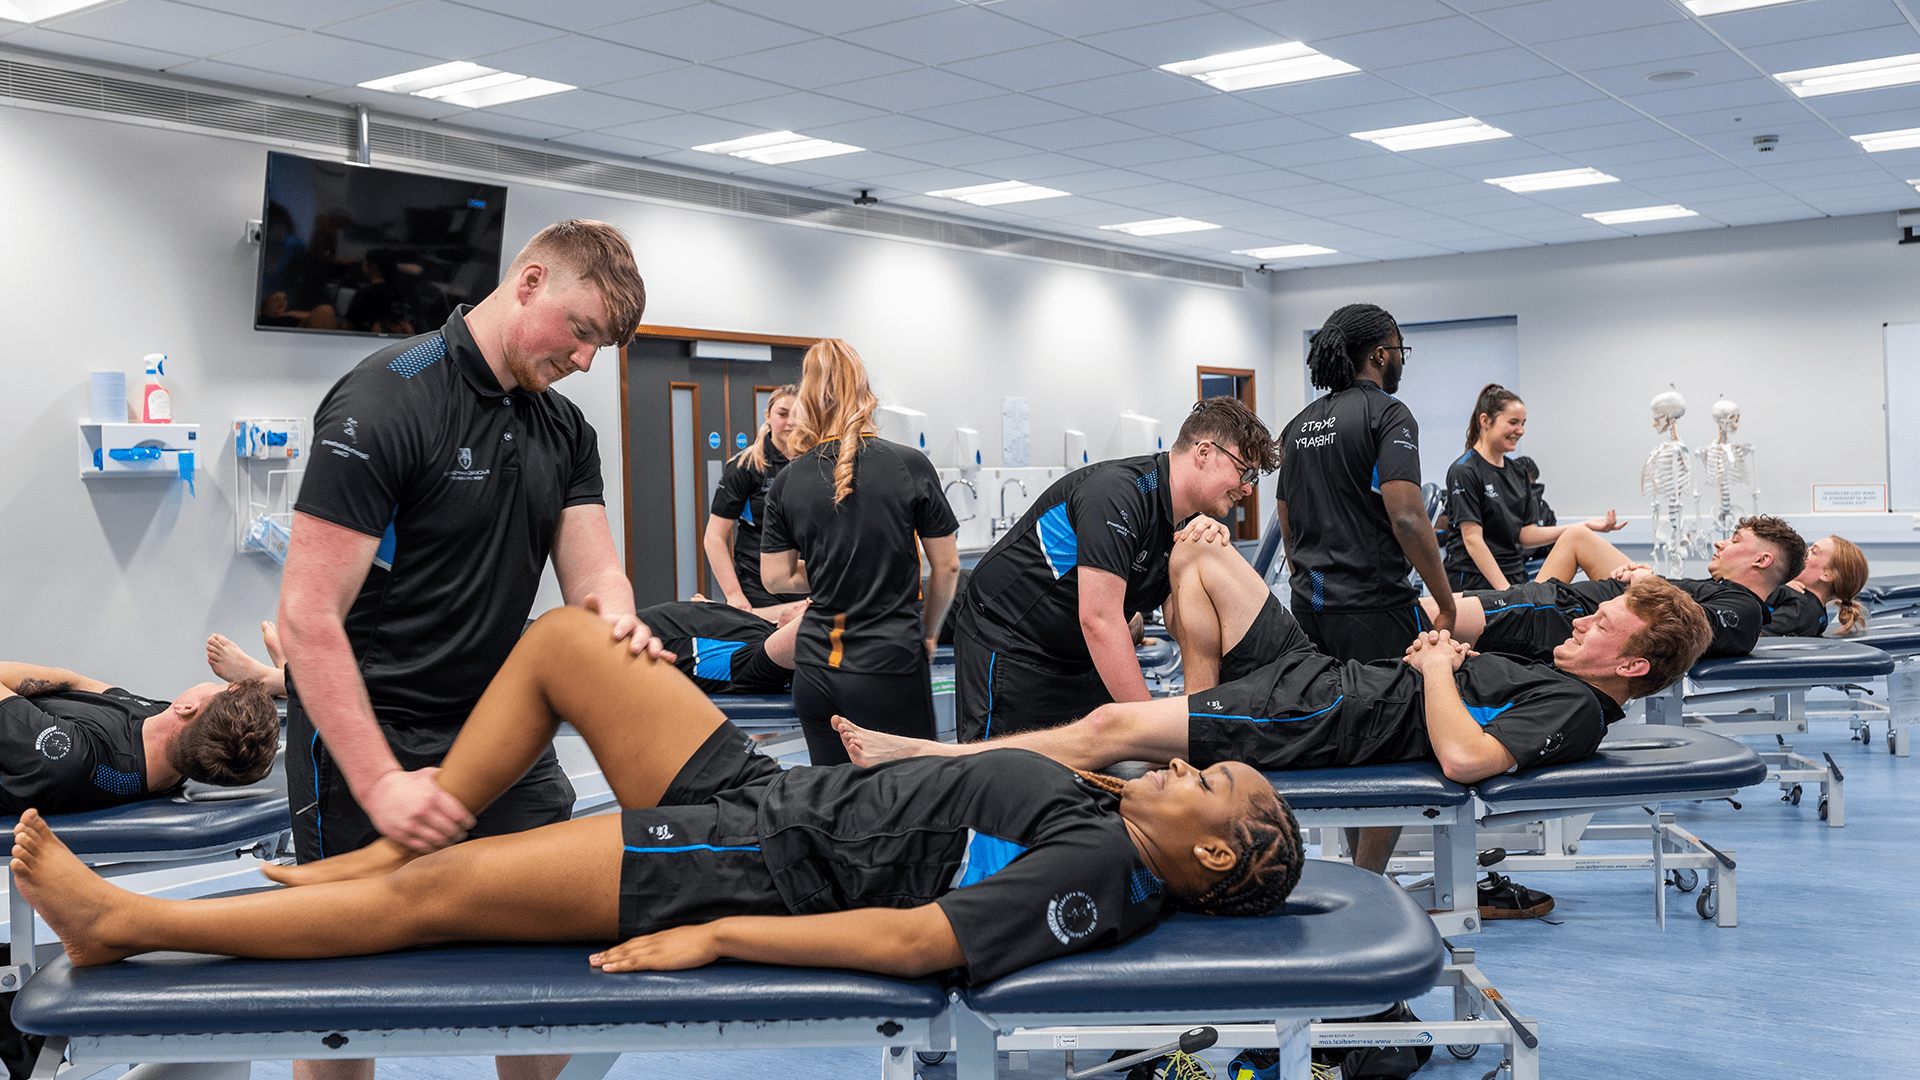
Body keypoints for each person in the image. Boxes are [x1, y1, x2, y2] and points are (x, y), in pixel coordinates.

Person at [10, 606, 1302, 985]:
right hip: (771, 789)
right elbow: (975, 797)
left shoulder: (1100, 882)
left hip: (749, 863)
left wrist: (724, 930)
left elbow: (924, 942)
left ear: (1218, 866)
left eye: (1210, 785)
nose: (1186, 766)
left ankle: (121, 923)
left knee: (440, 900)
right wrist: (895, 756)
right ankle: (403, 830)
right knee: (572, 640)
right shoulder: (1110, 811)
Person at [278, 219, 652, 1080]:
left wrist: (618, 620)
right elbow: (306, 617)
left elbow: (596, 577)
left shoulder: (563, 431)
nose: (588, 360)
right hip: (370, 735)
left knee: (550, 972)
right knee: (346, 1006)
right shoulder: (385, 399)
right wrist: (379, 781)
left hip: (500, 736)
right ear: (528, 282)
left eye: (605, 345)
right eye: (583, 331)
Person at [836, 569, 1712, 785]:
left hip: (1324, 713)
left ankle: (920, 757)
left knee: (1107, 727)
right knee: (1204, 558)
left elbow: (1468, 760)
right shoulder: (1568, 677)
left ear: (1631, 667)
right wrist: (1436, 660)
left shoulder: (1581, 710)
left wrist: (1439, 666)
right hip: (1331, 678)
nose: (1587, 618)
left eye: (1605, 624)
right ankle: (1192, 725)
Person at [952, 398, 1273, 743]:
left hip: (1079, 658)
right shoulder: (1117, 493)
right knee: (1005, 780)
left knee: (1091, 779)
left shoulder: (1188, 521)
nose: (1248, 487)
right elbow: (1099, 620)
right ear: (1204, 452)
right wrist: (1155, 732)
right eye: (1244, 471)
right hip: (1011, 646)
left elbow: (1182, 622)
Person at [1277, 304, 1447, 876]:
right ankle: (1370, 884)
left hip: (1310, 609)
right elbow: (1406, 516)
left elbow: (1287, 524)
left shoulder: (1298, 426)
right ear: (1380, 354)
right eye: (1399, 348)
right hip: (1374, 606)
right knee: (1394, 745)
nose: (1401, 360)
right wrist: (1445, 600)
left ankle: (1356, 874)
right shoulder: (1389, 414)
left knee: (1343, 735)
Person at [759, 340, 961, 765]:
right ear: (864, 392)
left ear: (808, 396)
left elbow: (775, 579)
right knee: (912, 795)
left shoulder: (788, 479)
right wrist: (927, 634)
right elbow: (948, 566)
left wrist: (837, 570)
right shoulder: (910, 464)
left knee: (834, 800)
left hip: (814, 669)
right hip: (888, 667)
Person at [1423, 516, 1805, 662]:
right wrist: (1641, 577)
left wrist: (1649, 584)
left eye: (1736, 540)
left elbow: (1685, 625)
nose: (1722, 544)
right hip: (1552, 604)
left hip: (1559, 616)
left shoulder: (1745, 611)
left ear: (1762, 561)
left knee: (1418, 616)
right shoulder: (1721, 590)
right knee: (1418, 611)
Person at [1, 661, 276, 815]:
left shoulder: (76, 756)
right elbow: (78, 683)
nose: (212, 682)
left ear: (188, 708)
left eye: (218, 686)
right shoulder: (165, 729)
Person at [1444, 384, 1623, 592]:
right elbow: (1473, 540)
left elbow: (1526, 535)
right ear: (1485, 421)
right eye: (1513, 422)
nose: (1520, 431)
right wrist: (1506, 593)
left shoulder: (1518, 472)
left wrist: (1583, 526)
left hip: (1514, 575)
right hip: (1473, 579)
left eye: (1522, 423)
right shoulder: (1464, 470)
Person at [705, 385, 806, 611]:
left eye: (798, 415)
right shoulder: (745, 466)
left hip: (805, 582)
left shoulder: (815, 463)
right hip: (758, 584)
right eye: (782, 414)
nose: (790, 422)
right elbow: (714, 537)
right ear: (768, 416)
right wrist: (733, 594)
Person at [639, 598, 804, 694]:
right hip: (634, 623)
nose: (809, 600)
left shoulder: (757, 660)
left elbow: (811, 628)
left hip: (634, 646)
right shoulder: (763, 627)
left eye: (815, 607)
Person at [1763, 535, 1866, 637]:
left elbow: (1751, 636)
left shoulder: (1800, 611)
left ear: (1827, 575)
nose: (1804, 552)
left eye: (1813, 551)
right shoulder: (1815, 610)